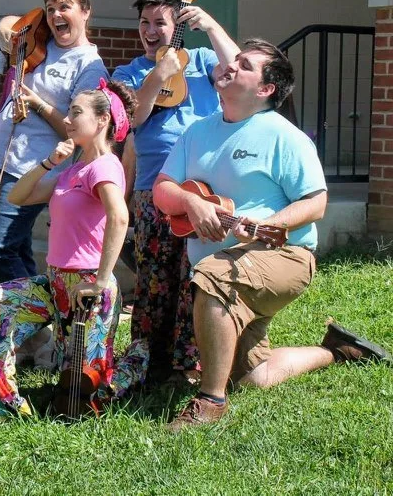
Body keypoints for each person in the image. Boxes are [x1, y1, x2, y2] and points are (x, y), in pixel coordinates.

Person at [153, 40, 391, 430]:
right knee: (253, 376)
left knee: (212, 276)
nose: (230, 66)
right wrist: (191, 203)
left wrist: (270, 226)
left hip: (284, 257)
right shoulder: (197, 131)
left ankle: (210, 402)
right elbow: (164, 187)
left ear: (265, 89)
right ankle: (338, 350)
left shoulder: (285, 137)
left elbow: (315, 203)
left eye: (243, 65)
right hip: (232, 264)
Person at [0, 79, 135, 421]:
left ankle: (134, 369)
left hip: (87, 288)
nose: (67, 120)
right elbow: (17, 196)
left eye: (76, 112)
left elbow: (120, 217)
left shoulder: (104, 166)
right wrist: (48, 162)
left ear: (102, 121)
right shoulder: (72, 171)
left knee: (87, 390)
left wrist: (100, 281)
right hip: (55, 284)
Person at [109, 0, 240, 393]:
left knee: (193, 276)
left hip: (202, 188)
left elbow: (239, 68)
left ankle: (188, 363)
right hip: (153, 189)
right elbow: (130, 119)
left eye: (160, 22)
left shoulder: (201, 61)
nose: (150, 30)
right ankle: (148, 357)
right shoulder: (129, 73)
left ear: (177, 26)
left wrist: (212, 26)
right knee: (154, 278)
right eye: (144, 22)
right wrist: (158, 76)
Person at [0, 0, 108, 283]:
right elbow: (10, 25)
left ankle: (31, 316)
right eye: (51, 9)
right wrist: (7, 29)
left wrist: (37, 103)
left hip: (31, 167)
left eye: (65, 7)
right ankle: (33, 327)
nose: (56, 15)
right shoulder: (41, 39)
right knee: (18, 245)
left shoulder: (90, 66)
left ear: (85, 11)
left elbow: (78, 131)